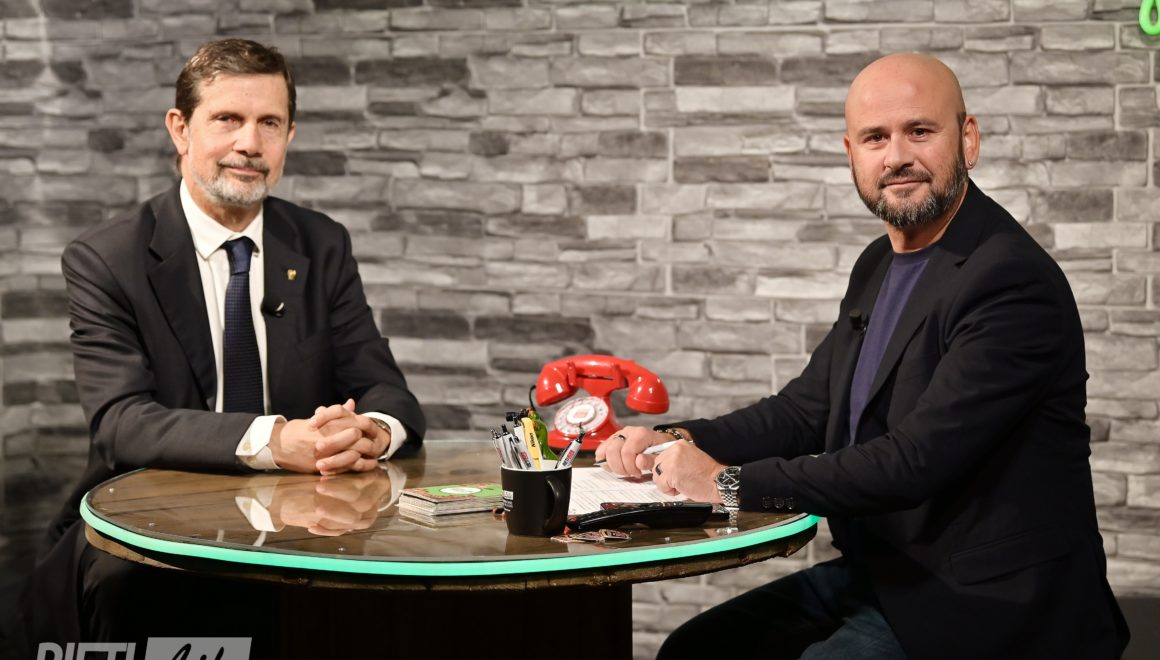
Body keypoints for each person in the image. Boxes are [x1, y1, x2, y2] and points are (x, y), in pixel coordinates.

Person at [598, 53, 1129, 659]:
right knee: (694, 651)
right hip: (886, 576)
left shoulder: (1008, 279)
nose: (896, 156)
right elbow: (804, 410)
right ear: (851, 153)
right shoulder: (879, 263)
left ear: (969, 140)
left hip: (986, 602)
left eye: (919, 131)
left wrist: (725, 483)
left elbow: (913, 461)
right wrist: (674, 440)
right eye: (876, 137)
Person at [13, 38, 425, 653]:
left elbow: (387, 390)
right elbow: (121, 423)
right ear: (180, 130)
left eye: (270, 123)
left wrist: (371, 431)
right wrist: (274, 441)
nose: (250, 143)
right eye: (228, 119)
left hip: (301, 523)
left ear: (289, 135)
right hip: (148, 523)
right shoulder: (108, 258)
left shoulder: (321, 244)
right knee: (141, 591)